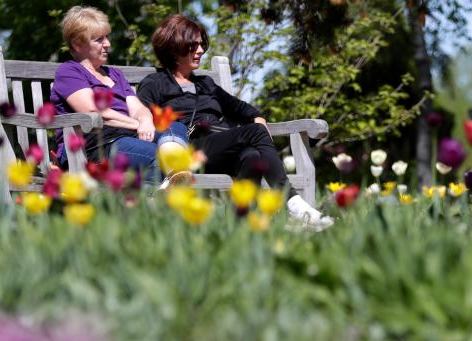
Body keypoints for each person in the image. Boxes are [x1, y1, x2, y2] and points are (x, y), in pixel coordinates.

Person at [137, 14, 333, 229]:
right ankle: (292, 203)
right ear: (174, 46)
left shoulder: (206, 84)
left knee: (252, 155)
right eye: (194, 45)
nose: (201, 50)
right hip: (185, 149)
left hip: (219, 148)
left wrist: (257, 116)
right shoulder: (155, 83)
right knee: (255, 132)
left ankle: (237, 227)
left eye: (202, 44)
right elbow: (141, 116)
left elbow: (242, 108)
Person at [50, 6, 190, 187]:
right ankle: (153, 201)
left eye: (107, 37)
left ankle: (174, 167)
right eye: (99, 39)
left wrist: (146, 121)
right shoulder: (70, 71)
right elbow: (93, 111)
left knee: (176, 126)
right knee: (158, 155)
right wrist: (137, 125)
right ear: (77, 44)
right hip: (94, 148)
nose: (107, 43)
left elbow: (138, 108)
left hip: (127, 139)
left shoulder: (114, 74)